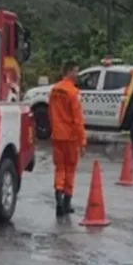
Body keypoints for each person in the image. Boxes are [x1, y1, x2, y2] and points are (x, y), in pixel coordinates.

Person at [48, 60, 86, 216]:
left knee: (59, 168)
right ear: (69, 71)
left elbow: (50, 114)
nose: (77, 74)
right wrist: (82, 141)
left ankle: (58, 197)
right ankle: (66, 203)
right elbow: (77, 119)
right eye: (76, 71)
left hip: (57, 135)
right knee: (70, 169)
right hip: (70, 137)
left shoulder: (54, 90)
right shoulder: (72, 93)